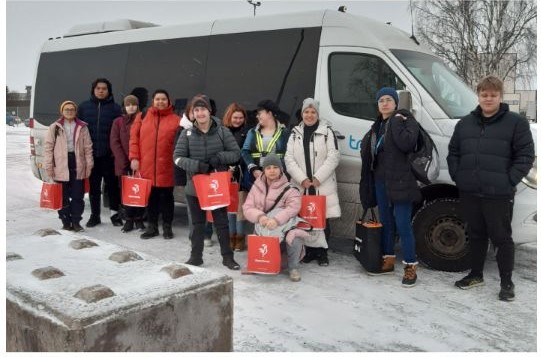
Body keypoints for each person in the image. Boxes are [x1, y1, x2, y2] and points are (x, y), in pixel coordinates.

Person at [447, 75, 534, 301]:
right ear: (479, 95)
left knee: (501, 238)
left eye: (493, 95)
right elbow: (454, 152)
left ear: (500, 96)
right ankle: (476, 275)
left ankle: (507, 283)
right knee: (475, 235)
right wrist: (459, 176)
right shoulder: (465, 123)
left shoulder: (516, 123)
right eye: (484, 95)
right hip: (470, 192)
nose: (488, 99)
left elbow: (525, 156)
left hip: (498, 194)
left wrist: (509, 180)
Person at [359, 87, 421, 287]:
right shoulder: (376, 126)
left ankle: (411, 265)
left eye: (388, 100)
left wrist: (395, 121)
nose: (384, 103)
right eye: (381, 101)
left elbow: (407, 144)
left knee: (403, 224)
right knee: (386, 222)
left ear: (395, 103)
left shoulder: (404, 120)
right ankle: (388, 257)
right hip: (380, 181)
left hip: (401, 181)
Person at [173, 94, 241, 270]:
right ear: (193, 114)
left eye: (203, 109)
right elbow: (177, 158)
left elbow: (236, 153)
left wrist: (219, 158)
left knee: (221, 223)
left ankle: (228, 258)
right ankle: (196, 257)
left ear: (209, 111)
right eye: (196, 110)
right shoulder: (186, 134)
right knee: (197, 225)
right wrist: (197, 166)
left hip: (216, 185)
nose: (200, 112)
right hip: (194, 187)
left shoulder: (222, 131)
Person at [285, 98, 341, 266]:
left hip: (321, 184)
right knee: (304, 218)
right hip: (301, 185)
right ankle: (309, 251)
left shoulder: (327, 132)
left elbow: (334, 156)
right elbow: (288, 159)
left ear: (317, 114)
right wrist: (302, 179)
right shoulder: (295, 133)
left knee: (322, 219)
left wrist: (318, 178)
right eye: (306, 112)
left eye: (313, 112)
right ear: (302, 114)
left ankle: (322, 253)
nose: (309, 115)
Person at [243, 154, 309, 282]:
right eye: (268, 168)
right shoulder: (256, 186)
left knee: (295, 237)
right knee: (253, 230)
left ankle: (293, 268)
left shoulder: (290, 189)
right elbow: (247, 207)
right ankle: (256, 262)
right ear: (264, 170)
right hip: (264, 225)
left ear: (281, 169)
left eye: (275, 167)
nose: (272, 170)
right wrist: (260, 217)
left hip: (283, 227)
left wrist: (276, 220)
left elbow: (293, 208)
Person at [129, 89, 180, 239]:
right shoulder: (142, 116)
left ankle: (167, 226)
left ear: (168, 101)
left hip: (167, 166)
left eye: (163, 99)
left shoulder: (176, 120)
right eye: (157, 99)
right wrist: (134, 158)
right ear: (153, 101)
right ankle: (152, 227)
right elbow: (134, 139)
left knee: (167, 198)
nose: (160, 102)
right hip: (147, 165)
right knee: (151, 198)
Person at [77, 78, 123, 228]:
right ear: (93, 90)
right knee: (94, 188)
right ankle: (95, 216)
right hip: (92, 156)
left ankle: (115, 215)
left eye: (104, 88)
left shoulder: (116, 109)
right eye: (98, 88)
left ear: (109, 91)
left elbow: (120, 133)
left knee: (112, 187)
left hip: (109, 156)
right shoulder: (84, 107)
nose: (101, 91)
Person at [44, 101, 94, 232]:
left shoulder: (83, 127)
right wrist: (49, 166)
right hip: (60, 165)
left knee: (78, 196)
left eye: (72, 109)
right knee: (62, 196)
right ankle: (65, 222)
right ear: (62, 111)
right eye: (66, 109)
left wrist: (89, 165)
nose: (69, 111)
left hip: (77, 164)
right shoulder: (54, 127)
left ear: (75, 111)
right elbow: (48, 148)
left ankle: (76, 221)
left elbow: (88, 147)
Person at [110, 95, 146, 233]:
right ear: (124, 107)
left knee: (140, 192)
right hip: (123, 164)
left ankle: (139, 219)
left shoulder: (143, 120)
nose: (131, 107)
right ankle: (128, 220)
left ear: (138, 106)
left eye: (134, 104)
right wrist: (124, 161)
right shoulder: (118, 122)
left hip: (139, 164)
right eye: (128, 104)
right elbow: (114, 142)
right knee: (126, 193)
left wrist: (136, 160)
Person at [241, 99, 289, 190]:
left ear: (269, 113)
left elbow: (289, 155)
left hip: (278, 179)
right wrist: (253, 169)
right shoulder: (252, 132)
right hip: (256, 178)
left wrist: (280, 172)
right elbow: (245, 151)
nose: (257, 116)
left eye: (259, 113)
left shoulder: (284, 132)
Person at [223, 102, 249, 251]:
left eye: (240, 117)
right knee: (229, 208)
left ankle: (239, 238)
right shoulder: (223, 131)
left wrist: (236, 166)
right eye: (235, 117)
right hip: (225, 175)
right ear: (229, 117)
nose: (238, 120)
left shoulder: (247, 132)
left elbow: (245, 152)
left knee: (240, 208)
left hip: (241, 175)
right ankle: (230, 236)